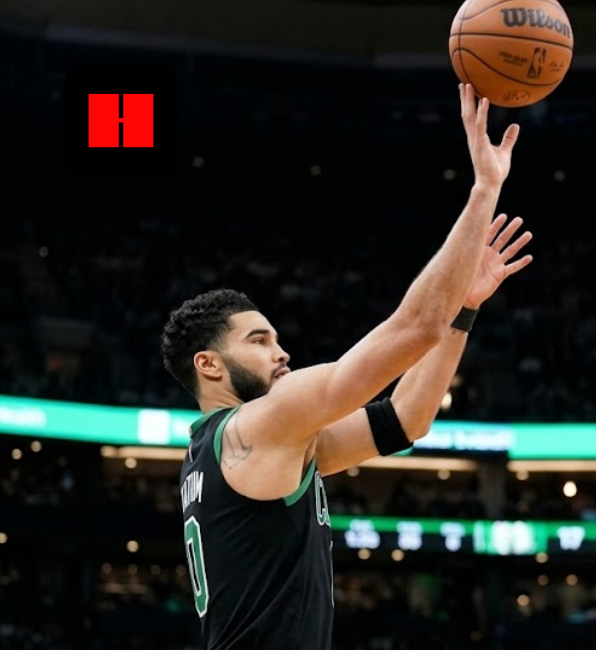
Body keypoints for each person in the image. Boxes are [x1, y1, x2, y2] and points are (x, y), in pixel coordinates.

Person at [162, 83, 533, 650]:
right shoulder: (260, 425)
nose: (281, 352)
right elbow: (414, 328)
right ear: (209, 365)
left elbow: (408, 418)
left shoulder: (251, 448)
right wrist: (484, 189)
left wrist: (464, 310)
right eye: (259, 341)